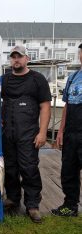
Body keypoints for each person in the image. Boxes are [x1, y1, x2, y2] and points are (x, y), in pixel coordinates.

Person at [1, 45, 51, 223]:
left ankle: (32, 205)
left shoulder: (37, 79)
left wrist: (43, 132)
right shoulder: (4, 80)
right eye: (13, 57)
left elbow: (45, 106)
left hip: (29, 135)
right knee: (10, 169)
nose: (16, 60)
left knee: (29, 169)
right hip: (8, 134)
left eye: (19, 57)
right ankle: (13, 199)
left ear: (27, 58)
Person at [51, 44, 82, 217]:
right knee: (68, 171)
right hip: (71, 132)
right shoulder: (72, 77)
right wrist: (61, 131)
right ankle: (70, 205)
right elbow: (66, 106)